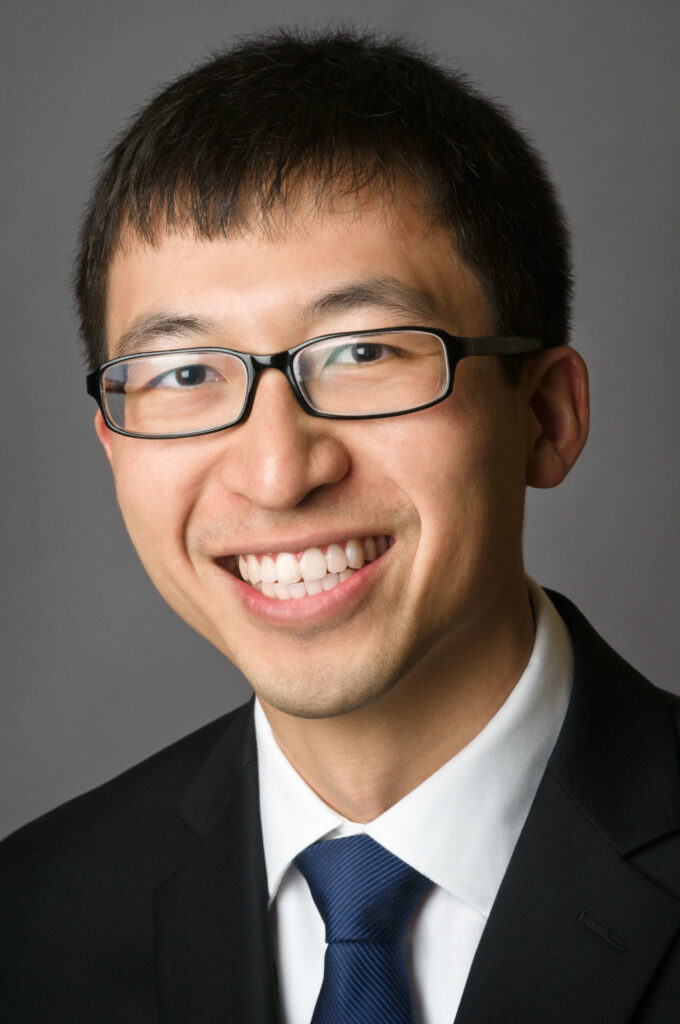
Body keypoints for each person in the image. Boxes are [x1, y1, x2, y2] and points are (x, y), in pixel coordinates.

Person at [2, 26, 679, 1024]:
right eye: (185, 373)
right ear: (113, 445)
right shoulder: (29, 922)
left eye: (363, 353)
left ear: (543, 416)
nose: (278, 473)